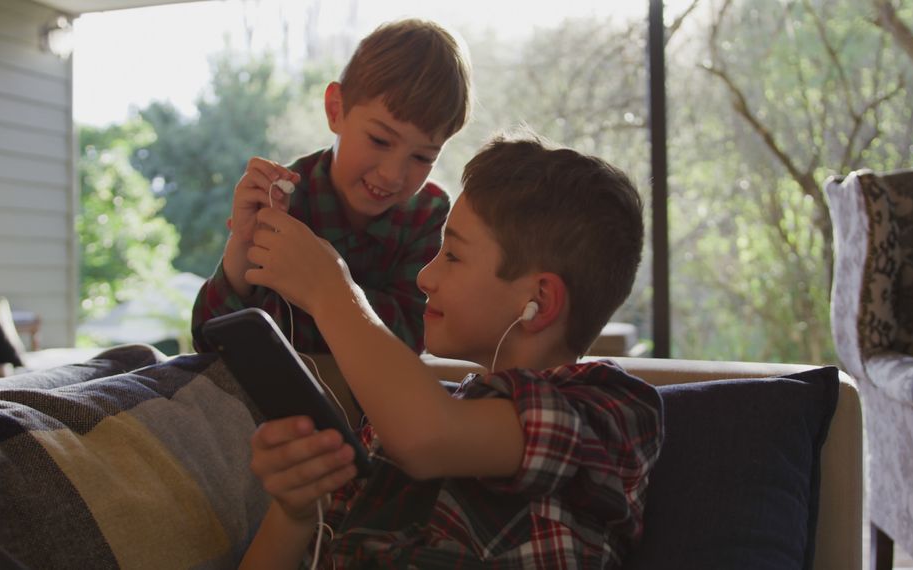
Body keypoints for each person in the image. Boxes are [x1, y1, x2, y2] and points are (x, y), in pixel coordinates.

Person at [238, 132, 664, 569]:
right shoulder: (390, 431)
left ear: (539, 300)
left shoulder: (610, 411)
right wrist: (296, 513)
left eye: (454, 256)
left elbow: (428, 437)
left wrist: (332, 290)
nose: (425, 276)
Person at [191, 19, 472, 354]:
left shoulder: (429, 214)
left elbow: (413, 336)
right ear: (335, 109)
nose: (392, 175)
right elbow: (209, 344)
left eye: (423, 157)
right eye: (380, 140)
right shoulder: (282, 202)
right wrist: (240, 252)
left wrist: (328, 287)